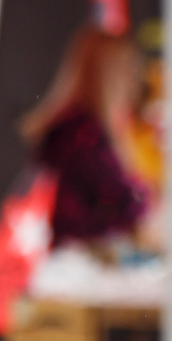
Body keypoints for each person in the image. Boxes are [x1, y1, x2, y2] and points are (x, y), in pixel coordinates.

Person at [19, 27, 152, 251]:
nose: (133, 79)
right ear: (106, 73)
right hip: (73, 261)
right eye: (127, 69)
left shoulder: (84, 127)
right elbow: (123, 200)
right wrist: (145, 198)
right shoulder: (80, 132)